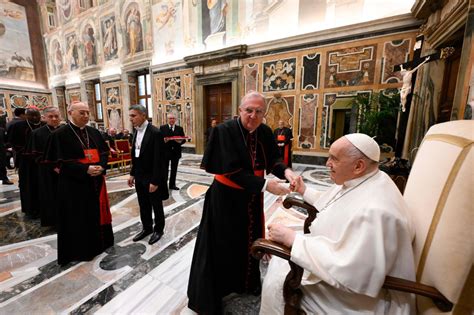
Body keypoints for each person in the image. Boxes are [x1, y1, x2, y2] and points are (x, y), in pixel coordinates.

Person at [260, 133, 416, 314]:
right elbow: (335, 203)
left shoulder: (377, 212)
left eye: (334, 159)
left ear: (358, 166)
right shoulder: (367, 179)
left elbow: (353, 271)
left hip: (355, 299)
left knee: (279, 277)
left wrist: (294, 240)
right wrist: (304, 190)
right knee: (279, 264)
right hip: (345, 274)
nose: (327, 164)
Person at [187, 91, 298, 314]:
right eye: (249, 110)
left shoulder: (264, 131)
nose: (253, 116)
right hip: (225, 200)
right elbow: (231, 172)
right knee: (222, 246)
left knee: (247, 242)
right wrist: (266, 185)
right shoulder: (223, 132)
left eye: (258, 112)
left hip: (251, 198)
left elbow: (274, 159)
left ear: (264, 114)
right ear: (240, 110)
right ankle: (215, 294)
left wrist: (287, 172)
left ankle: (245, 284)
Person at [43, 102, 113, 265]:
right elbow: (57, 164)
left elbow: (104, 153)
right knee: (79, 218)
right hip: (73, 186)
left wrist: (101, 167)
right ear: (70, 113)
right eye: (82, 113)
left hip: (96, 181)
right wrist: (85, 170)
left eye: (88, 113)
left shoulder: (94, 132)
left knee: (96, 214)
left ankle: (100, 245)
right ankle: (83, 250)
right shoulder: (59, 135)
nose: (86, 116)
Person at [128, 105, 169, 245]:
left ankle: (158, 230)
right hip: (139, 176)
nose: (131, 119)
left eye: (133, 116)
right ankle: (147, 228)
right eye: (130, 116)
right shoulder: (135, 132)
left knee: (156, 205)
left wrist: (156, 181)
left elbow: (160, 160)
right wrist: (132, 174)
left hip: (152, 177)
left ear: (143, 115)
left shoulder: (155, 132)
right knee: (143, 204)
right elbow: (136, 156)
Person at [26, 107, 61, 226]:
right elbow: (35, 155)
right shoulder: (36, 133)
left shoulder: (66, 131)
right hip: (47, 171)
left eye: (56, 116)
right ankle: (54, 222)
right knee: (51, 196)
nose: (54, 119)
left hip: (67, 170)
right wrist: (53, 167)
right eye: (51, 116)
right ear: (44, 118)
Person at [8, 107, 44, 218]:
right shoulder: (17, 126)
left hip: (42, 161)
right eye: (31, 115)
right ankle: (31, 209)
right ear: (26, 116)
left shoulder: (43, 125)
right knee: (28, 185)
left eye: (36, 115)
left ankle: (44, 208)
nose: (34, 117)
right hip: (26, 162)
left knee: (43, 185)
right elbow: (13, 143)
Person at [160, 113, 185, 190]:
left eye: (173, 118)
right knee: (164, 170)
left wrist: (180, 141)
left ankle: (172, 185)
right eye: (170, 118)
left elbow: (183, 139)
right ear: (167, 119)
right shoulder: (162, 128)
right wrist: (164, 141)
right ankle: (164, 185)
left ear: (175, 119)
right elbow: (158, 140)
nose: (172, 120)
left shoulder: (180, 128)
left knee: (174, 170)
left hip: (176, 152)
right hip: (165, 153)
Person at [0, 108, 12, 185]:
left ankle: (4, 179)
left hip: (1, 150)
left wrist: (6, 146)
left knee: (2, 165)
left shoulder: (1, 130)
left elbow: (6, 140)